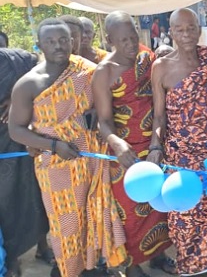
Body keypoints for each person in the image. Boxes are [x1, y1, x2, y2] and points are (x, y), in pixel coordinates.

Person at [8, 18, 127, 277]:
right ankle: (69, 271)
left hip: (92, 159)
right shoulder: (29, 84)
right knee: (68, 225)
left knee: (95, 214)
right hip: (56, 166)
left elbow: (105, 99)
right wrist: (52, 145)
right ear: (39, 45)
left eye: (63, 40)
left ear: (73, 41)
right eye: (50, 41)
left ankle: (93, 267)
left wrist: (97, 108)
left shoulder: (87, 70)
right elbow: (16, 129)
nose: (59, 46)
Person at [92, 11, 175, 277]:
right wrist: (117, 144)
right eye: (123, 40)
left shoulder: (146, 58)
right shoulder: (104, 72)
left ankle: (159, 256)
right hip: (125, 153)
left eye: (133, 37)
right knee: (129, 210)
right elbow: (103, 122)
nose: (130, 44)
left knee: (157, 207)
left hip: (156, 143)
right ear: (109, 40)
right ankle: (133, 264)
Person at [149, 8, 207, 276]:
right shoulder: (161, 67)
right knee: (185, 216)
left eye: (191, 28)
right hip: (181, 158)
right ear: (171, 33)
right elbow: (159, 116)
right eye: (180, 30)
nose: (186, 35)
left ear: (199, 29)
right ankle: (194, 268)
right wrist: (155, 147)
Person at [0, 48, 50, 277]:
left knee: (33, 195)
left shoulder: (17, 60)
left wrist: (15, 96)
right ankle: (10, 258)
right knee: (4, 205)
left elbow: (41, 75)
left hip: (20, 142)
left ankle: (42, 246)